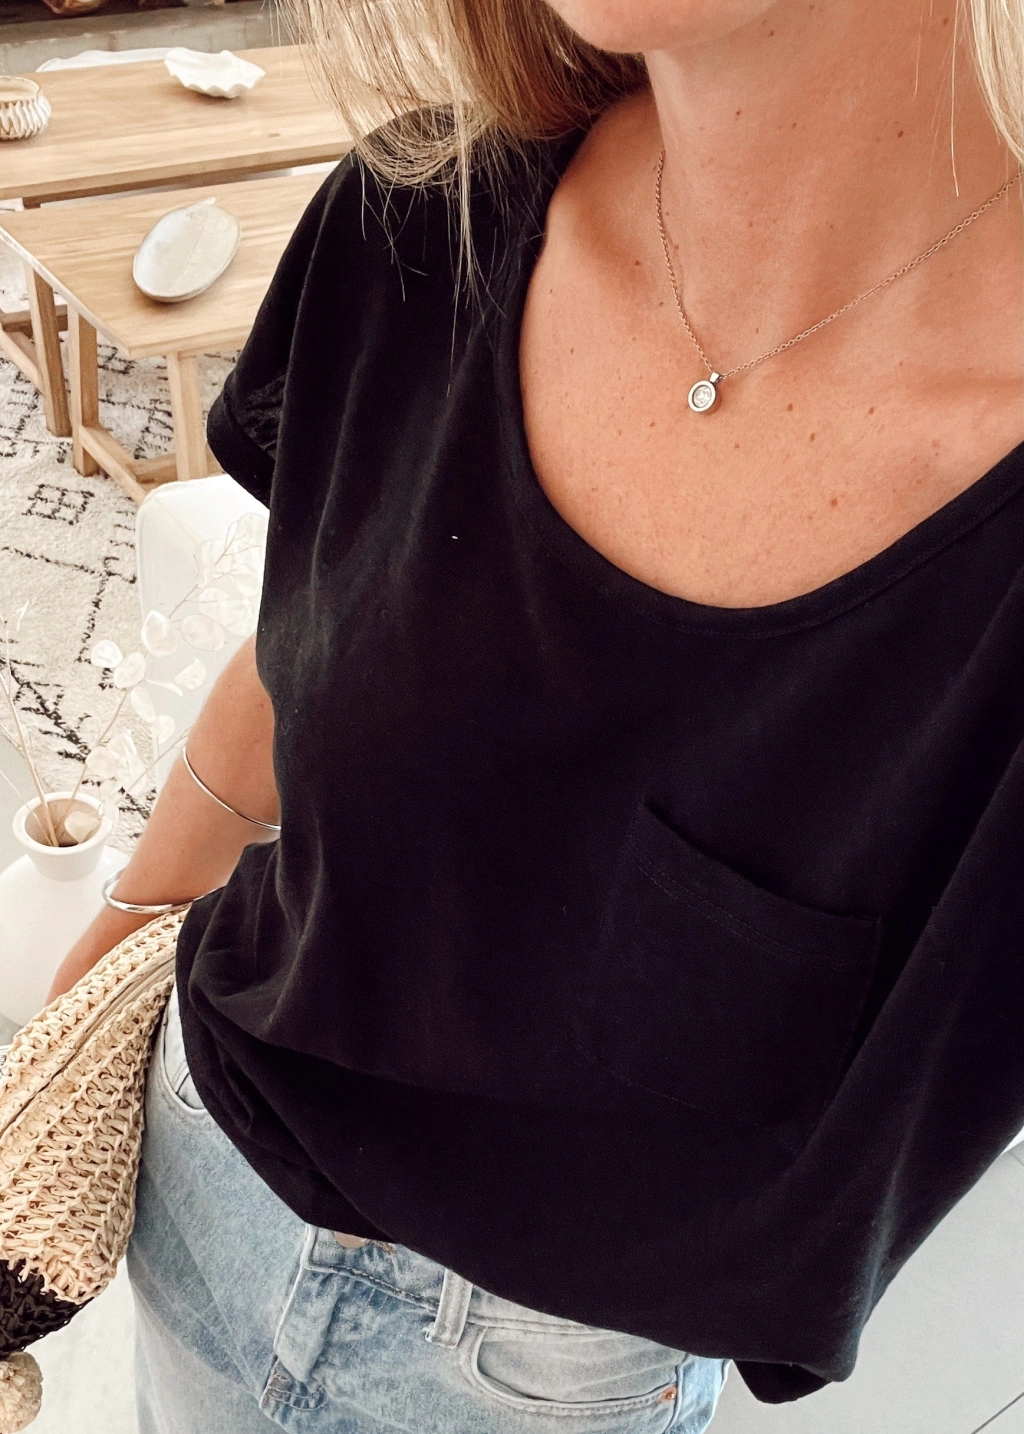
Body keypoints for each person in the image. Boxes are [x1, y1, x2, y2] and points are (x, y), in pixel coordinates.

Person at [51, 0, 1024, 1429]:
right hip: (203, 1174)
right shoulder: (413, 224)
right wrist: (114, 946)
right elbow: (304, 643)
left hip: (541, 1382)